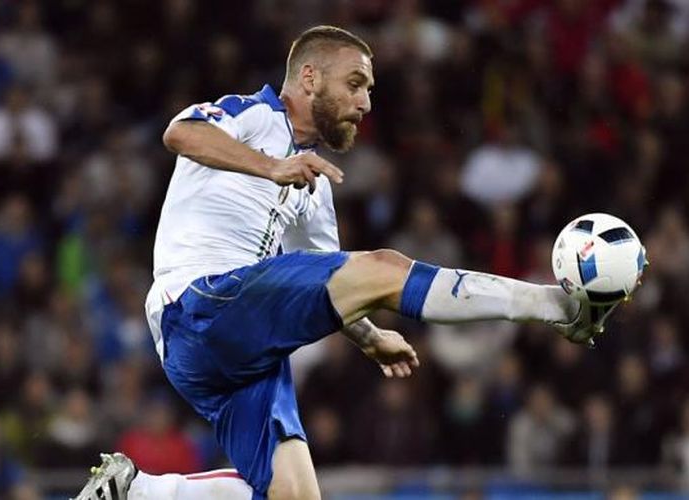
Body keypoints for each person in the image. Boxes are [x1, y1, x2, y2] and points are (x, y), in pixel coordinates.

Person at [73, 25, 621, 500]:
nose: (365, 103)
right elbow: (179, 133)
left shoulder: (316, 190)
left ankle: (139, 491)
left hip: (236, 348)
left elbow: (331, 283)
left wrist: (366, 335)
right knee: (385, 265)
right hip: (199, 301)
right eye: (355, 84)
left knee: (294, 494)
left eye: (369, 90)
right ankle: (551, 303)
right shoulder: (251, 114)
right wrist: (271, 166)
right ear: (309, 78)